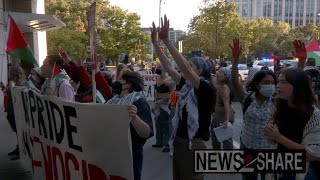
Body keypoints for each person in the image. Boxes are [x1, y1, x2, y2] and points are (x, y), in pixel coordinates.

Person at [151, 15, 216, 180]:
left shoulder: (206, 88)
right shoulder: (186, 85)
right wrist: (156, 44)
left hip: (194, 145)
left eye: (192, 66)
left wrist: (167, 40)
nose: (183, 70)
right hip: (180, 142)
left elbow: (184, 68)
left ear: (200, 71)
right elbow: (168, 66)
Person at [264, 40, 320, 180]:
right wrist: (271, 135)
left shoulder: (314, 116)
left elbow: (312, 153)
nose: (277, 86)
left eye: (283, 82)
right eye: (279, 81)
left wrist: (279, 137)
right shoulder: (280, 107)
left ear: (297, 87)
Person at [230, 38, 277, 180]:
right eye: (266, 83)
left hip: (268, 151)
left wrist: (301, 62)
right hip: (247, 146)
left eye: (272, 83)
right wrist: (235, 60)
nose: (270, 85)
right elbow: (234, 81)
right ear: (257, 85)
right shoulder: (248, 99)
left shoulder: (277, 101)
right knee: (248, 177)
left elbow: (294, 87)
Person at [106, 71, 153, 180]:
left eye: (121, 80)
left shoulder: (139, 102)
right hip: (112, 154)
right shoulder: (113, 100)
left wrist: (134, 117)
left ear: (129, 85)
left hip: (130, 157)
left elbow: (146, 133)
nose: (117, 82)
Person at [152, 63, 174, 153]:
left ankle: (167, 144)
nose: (157, 69)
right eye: (157, 67)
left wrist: (162, 101)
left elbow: (171, 94)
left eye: (159, 68)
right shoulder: (158, 78)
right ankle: (159, 141)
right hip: (158, 104)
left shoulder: (169, 80)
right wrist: (155, 103)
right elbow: (156, 92)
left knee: (166, 125)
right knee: (158, 123)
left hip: (165, 104)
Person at [211, 67, 234, 149]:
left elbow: (226, 106)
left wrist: (226, 120)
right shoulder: (215, 83)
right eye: (218, 71)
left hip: (223, 114)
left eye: (221, 72)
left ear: (226, 77)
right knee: (215, 137)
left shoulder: (224, 88)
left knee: (226, 139)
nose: (218, 73)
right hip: (217, 114)